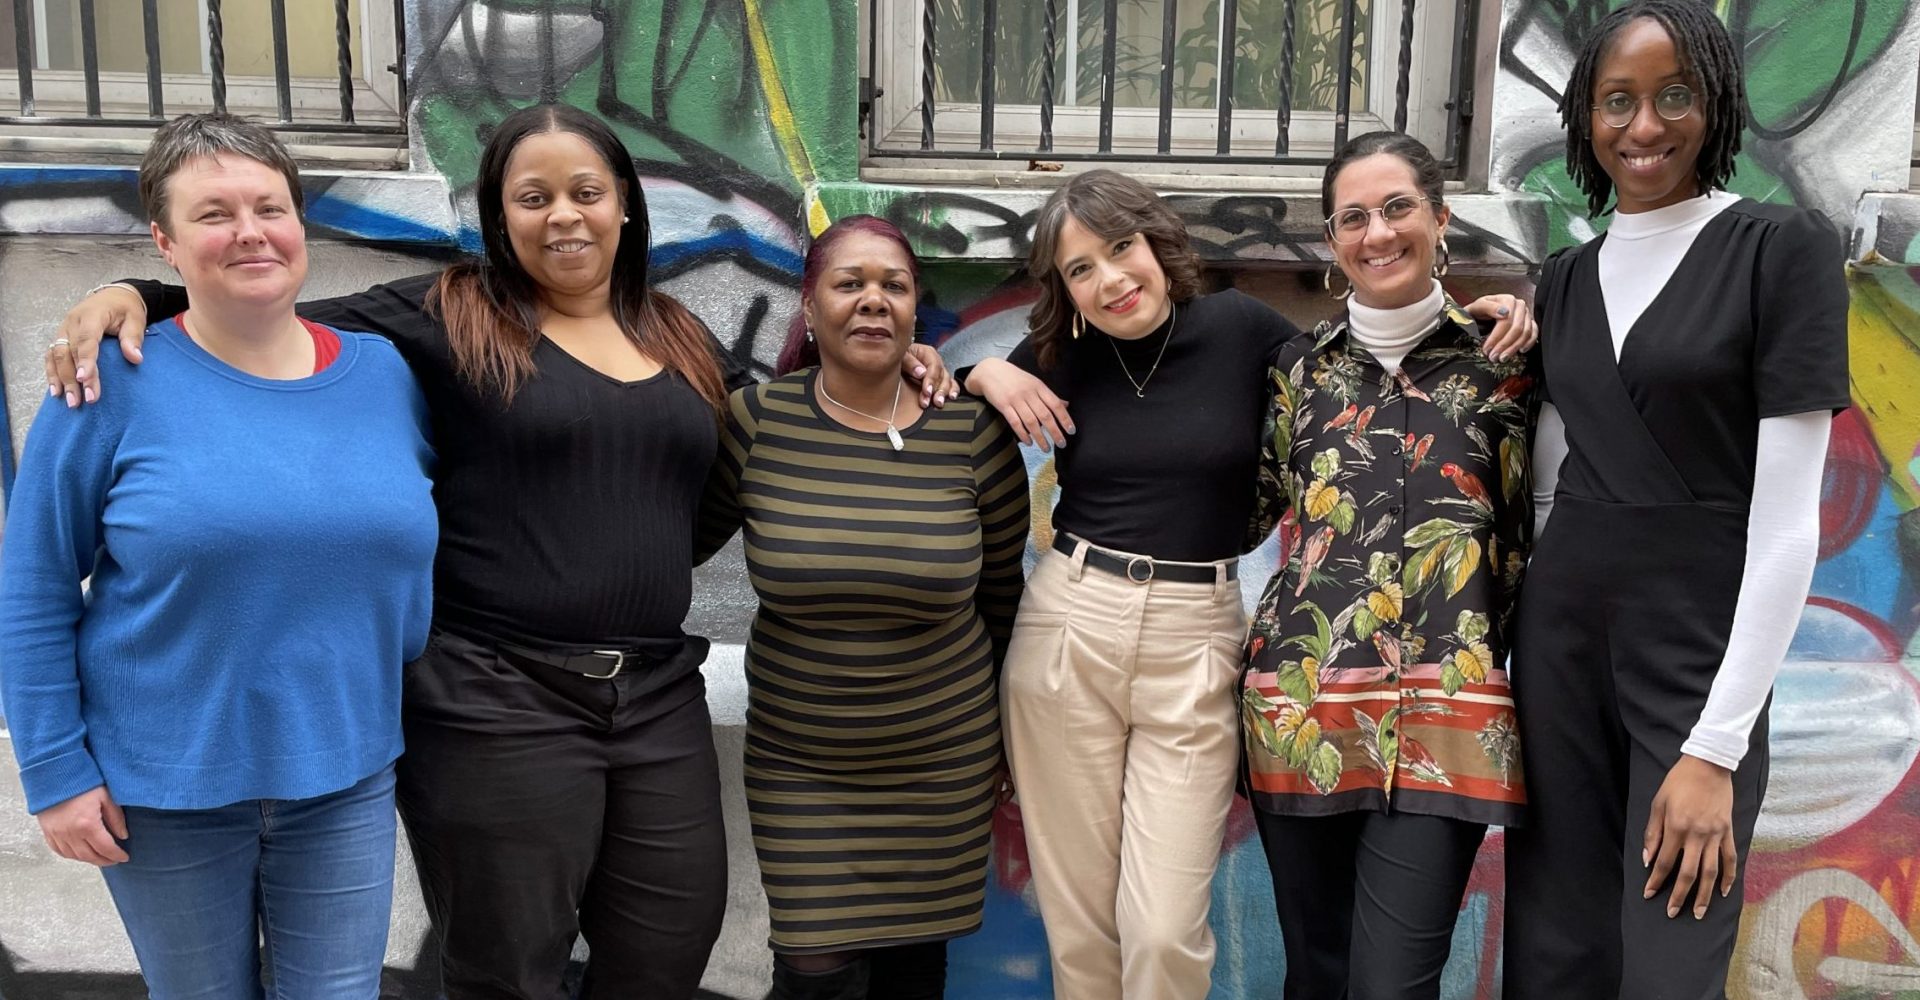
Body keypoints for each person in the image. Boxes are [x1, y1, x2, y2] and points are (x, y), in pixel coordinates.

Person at [42, 104, 956, 1000]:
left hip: (656, 697)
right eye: (533, 197)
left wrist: (930, 361)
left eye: (586, 191)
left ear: (626, 204)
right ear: (500, 217)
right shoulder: (447, 312)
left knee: (668, 947)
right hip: (497, 697)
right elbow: (265, 308)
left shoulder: (679, 336)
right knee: (507, 970)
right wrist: (132, 293)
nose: (564, 214)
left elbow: (722, 476)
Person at [959, 169, 1537, 999]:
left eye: (1121, 249)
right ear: (1063, 287)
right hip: (1070, 622)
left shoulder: (1241, 329)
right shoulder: (1058, 354)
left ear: (1158, 243)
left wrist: (1474, 316)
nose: (1111, 280)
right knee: (1082, 929)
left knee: (1162, 929)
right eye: (1080, 269)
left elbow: (1365, 372)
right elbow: (923, 396)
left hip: (1196, 634)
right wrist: (987, 373)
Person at [0, 113, 436, 998]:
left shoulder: (386, 374)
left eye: (268, 207)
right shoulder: (104, 382)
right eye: (212, 214)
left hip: (345, 772)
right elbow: (35, 583)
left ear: (300, 221)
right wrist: (53, 772)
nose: (249, 232)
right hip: (162, 788)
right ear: (162, 240)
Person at [1504, 4, 1848, 998]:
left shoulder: (1781, 251)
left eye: (1673, 96)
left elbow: (1788, 521)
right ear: (1586, 114)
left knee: (1669, 960)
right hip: (1561, 646)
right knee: (1557, 954)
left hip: (1697, 656)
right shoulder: (1561, 280)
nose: (1643, 126)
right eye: (1618, 100)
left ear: (1716, 103)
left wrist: (1716, 745)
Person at [695, 214, 1029, 1000]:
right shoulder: (756, 422)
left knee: (914, 977)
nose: (873, 300)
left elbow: (1004, 604)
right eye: (850, 284)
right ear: (809, 309)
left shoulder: (971, 435)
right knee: (814, 978)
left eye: (895, 286)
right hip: (802, 768)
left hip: (942, 764)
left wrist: (1011, 743)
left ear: (916, 313)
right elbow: (667, 547)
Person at [1239, 131, 1533, 1000]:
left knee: (1394, 984)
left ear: (1441, 218)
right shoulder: (1296, 372)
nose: (1378, 234)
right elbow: (1245, 505)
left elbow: (1538, 530)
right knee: (1317, 977)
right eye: (1352, 218)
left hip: (1450, 722)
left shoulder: (1509, 369)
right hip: (1301, 715)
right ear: (1333, 244)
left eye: (1398, 208)